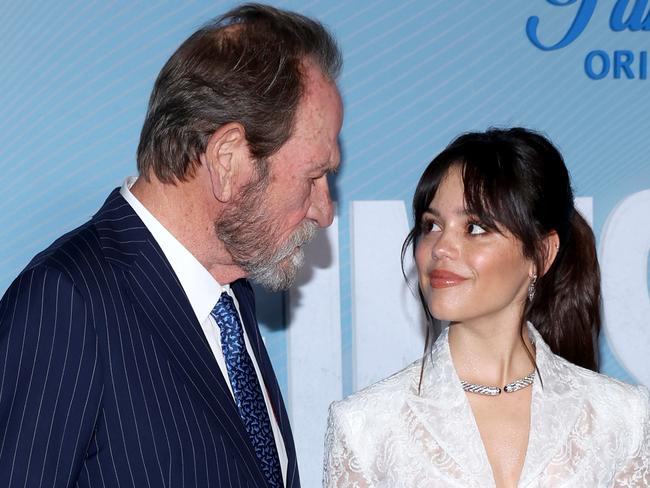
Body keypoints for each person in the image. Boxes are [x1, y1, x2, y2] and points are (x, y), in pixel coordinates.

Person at [0, 3, 342, 487]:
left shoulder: (231, 296)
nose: (325, 210)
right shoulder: (67, 302)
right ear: (227, 160)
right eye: (314, 176)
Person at [323, 128, 649, 487]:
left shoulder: (622, 419)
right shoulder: (364, 428)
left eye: (475, 228)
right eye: (431, 225)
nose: (441, 247)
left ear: (541, 254)